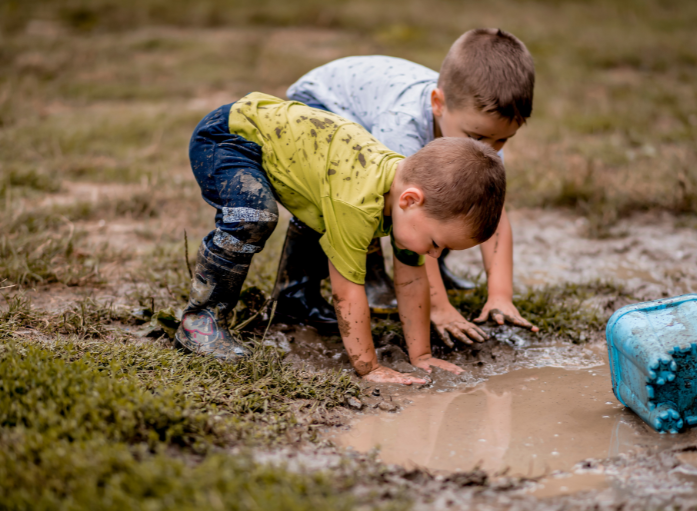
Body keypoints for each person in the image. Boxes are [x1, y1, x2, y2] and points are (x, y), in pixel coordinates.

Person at [176, 92, 507, 384]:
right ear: (409, 200)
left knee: (323, 216)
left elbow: (411, 281)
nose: (435, 255)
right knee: (254, 215)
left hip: (284, 149)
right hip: (230, 137)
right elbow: (347, 293)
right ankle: (200, 320)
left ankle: (294, 302)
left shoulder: (406, 200)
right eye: (437, 244)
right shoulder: (357, 203)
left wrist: (420, 357)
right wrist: (369, 367)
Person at [279, 28, 539, 346]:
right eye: (478, 138)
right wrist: (439, 309)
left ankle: (436, 272)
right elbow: (414, 212)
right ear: (438, 104)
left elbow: (492, 213)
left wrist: (500, 295)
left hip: (370, 107)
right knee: (363, 197)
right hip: (323, 106)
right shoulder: (402, 125)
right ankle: (349, 280)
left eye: (503, 140)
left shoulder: (478, 130)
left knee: (454, 199)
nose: (491, 148)